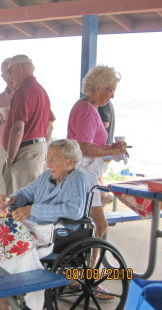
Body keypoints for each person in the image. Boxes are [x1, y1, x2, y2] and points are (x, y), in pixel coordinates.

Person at [0, 139, 89, 309]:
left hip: (61, 233)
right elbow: (26, 192)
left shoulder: (77, 177)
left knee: (16, 248)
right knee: (1, 239)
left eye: (54, 159)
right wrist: (12, 199)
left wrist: (33, 210)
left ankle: (25, 297)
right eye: (47, 159)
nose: (49, 163)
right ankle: (4, 294)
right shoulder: (47, 176)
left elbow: (74, 210)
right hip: (38, 227)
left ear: (71, 161)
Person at [67, 65, 127, 243]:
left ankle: (88, 266)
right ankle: (90, 269)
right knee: (99, 226)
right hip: (84, 176)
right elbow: (84, 148)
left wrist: (111, 148)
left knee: (91, 225)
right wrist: (113, 151)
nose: (112, 96)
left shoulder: (85, 107)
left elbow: (89, 144)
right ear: (97, 88)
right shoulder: (87, 110)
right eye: (111, 91)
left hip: (82, 173)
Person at [2, 55, 55, 195]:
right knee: (31, 195)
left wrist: (11, 158)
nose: (12, 78)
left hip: (25, 151)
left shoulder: (23, 91)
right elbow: (50, 125)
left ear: (20, 68)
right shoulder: (42, 91)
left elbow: (18, 128)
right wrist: (43, 147)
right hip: (38, 148)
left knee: (20, 199)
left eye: (12, 73)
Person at [0, 58, 17, 199]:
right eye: (4, 75)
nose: (8, 78)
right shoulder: (0, 98)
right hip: (2, 146)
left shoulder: (30, 93)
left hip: (22, 147)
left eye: (10, 73)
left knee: (22, 186)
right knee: (2, 184)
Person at [98, 100, 116, 205]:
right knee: (98, 175)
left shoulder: (103, 103)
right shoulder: (107, 103)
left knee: (93, 174)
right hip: (106, 145)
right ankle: (103, 197)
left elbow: (105, 123)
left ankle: (105, 195)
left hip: (101, 146)